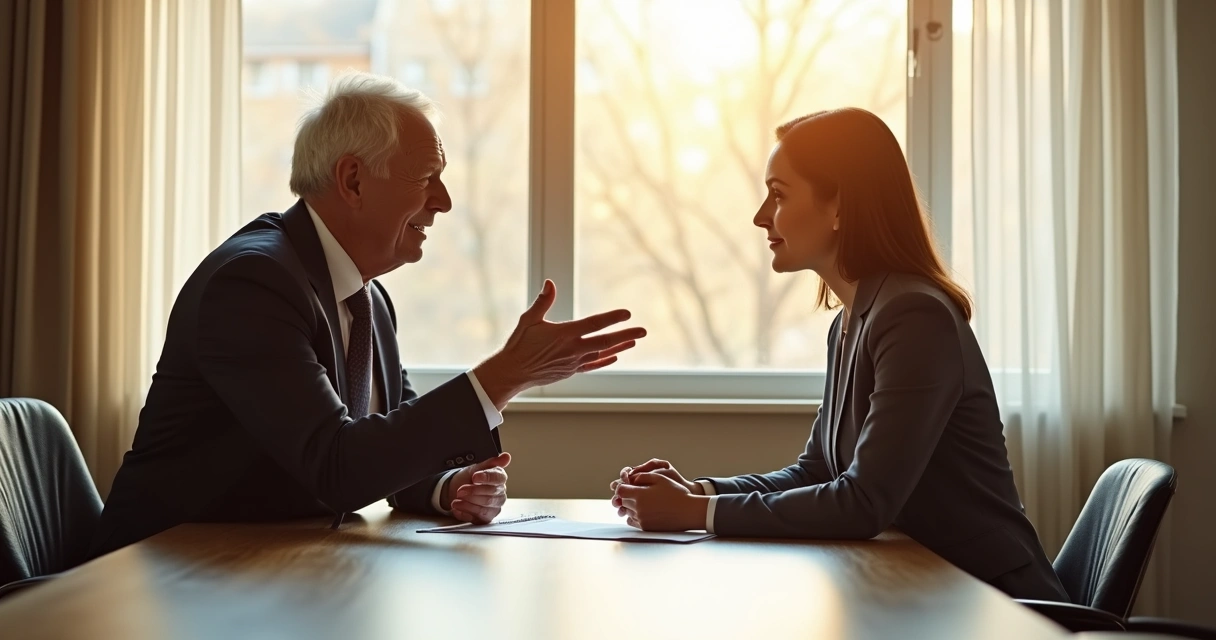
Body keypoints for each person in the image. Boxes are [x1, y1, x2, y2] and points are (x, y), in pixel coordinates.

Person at [91, 73, 646, 557]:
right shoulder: (252, 283)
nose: (445, 200)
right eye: (427, 176)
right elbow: (337, 468)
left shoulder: (367, 297)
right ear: (353, 180)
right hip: (157, 577)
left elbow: (383, 452)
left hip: (261, 567)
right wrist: (505, 374)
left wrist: (446, 486)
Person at [609, 108, 1067, 601]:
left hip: (994, 604)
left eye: (779, 195)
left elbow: (864, 502)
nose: (762, 216)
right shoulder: (851, 322)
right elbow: (818, 472)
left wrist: (693, 515)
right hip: (920, 592)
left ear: (840, 208)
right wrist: (699, 493)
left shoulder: (915, 317)